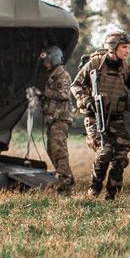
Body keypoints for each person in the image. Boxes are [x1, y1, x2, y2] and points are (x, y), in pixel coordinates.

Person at [71, 30, 130, 200]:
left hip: (116, 118)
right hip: (95, 117)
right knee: (105, 152)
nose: (127, 51)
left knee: (121, 154)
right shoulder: (95, 64)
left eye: (128, 47)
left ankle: (112, 194)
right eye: (124, 47)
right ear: (113, 47)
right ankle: (94, 186)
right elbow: (76, 86)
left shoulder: (126, 68)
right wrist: (87, 100)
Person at [39, 45, 75, 193]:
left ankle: (66, 183)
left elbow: (64, 95)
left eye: (46, 59)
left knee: (59, 151)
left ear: (53, 58)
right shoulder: (51, 74)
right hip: (52, 119)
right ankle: (66, 178)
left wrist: (44, 91)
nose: (44, 62)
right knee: (51, 150)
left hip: (60, 119)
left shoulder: (62, 75)